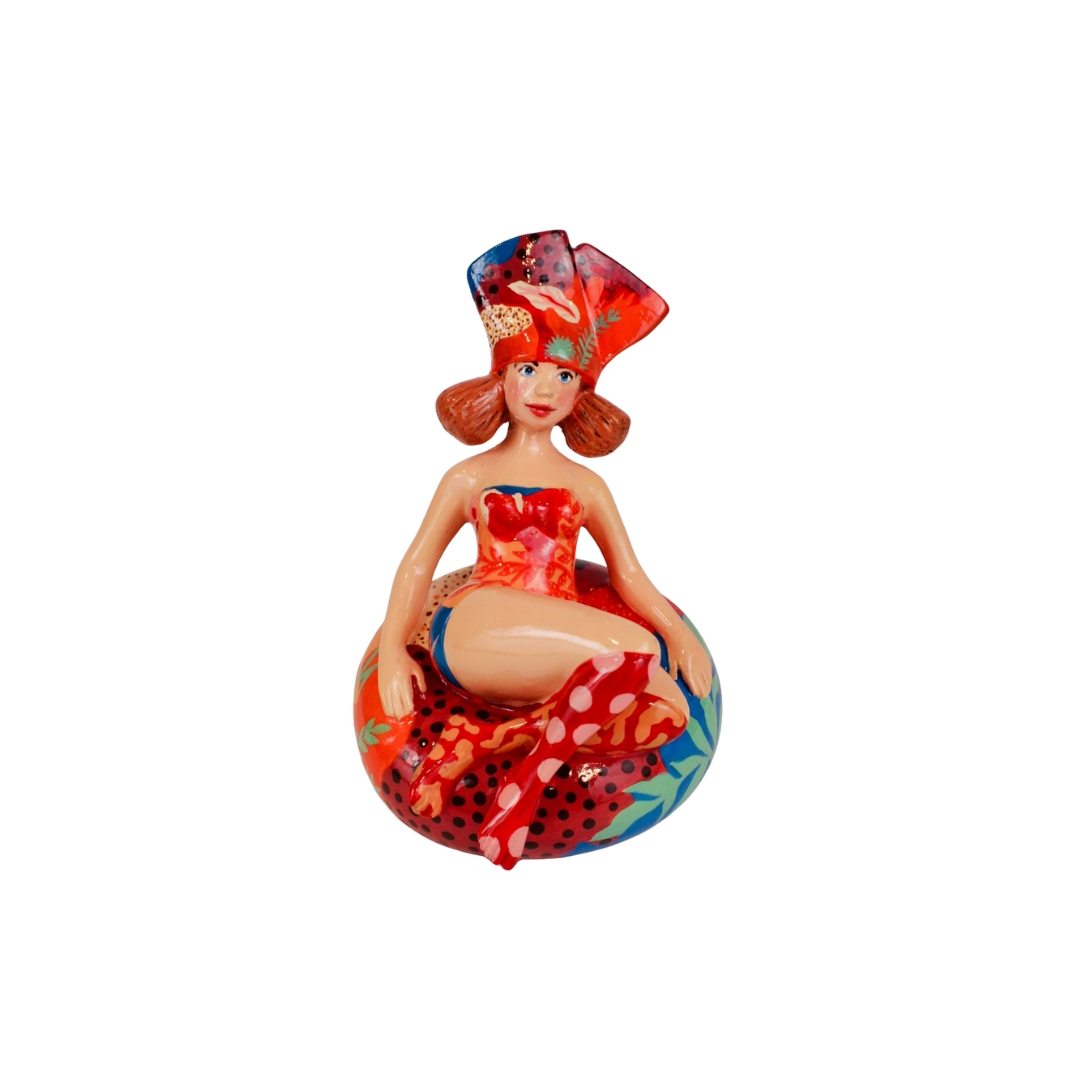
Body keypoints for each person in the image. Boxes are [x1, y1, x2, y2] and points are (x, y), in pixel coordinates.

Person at [375, 231, 712, 865]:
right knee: (640, 653)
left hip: (559, 645)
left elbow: (629, 575)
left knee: (667, 710)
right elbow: (418, 562)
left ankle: (489, 742)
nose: (545, 390)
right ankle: (521, 775)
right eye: (529, 369)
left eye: (565, 375)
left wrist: (680, 633)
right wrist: (393, 648)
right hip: (478, 626)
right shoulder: (468, 477)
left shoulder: (586, 485)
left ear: (582, 393)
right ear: (501, 377)